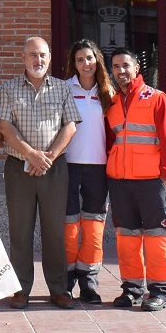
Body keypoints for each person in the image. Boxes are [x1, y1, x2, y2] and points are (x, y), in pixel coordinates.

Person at [0, 35, 80, 309]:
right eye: (32, 54)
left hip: (54, 169)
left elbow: (70, 126)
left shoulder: (62, 88)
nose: (38, 60)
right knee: (20, 231)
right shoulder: (9, 88)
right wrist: (31, 154)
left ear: (50, 58)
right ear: (23, 58)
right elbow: (5, 127)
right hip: (19, 168)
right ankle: (20, 289)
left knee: (55, 231)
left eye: (42, 55)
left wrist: (47, 158)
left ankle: (59, 289)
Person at [105, 47, 166, 312]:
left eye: (126, 65)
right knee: (126, 237)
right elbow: (110, 142)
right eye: (116, 67)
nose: (121, 71)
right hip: (119, 180)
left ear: (137, 68)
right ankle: (132, 289)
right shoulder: (112, 103)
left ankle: (161, 291)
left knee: (157, 235)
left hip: (150, 180)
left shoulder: (156, 98)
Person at [64, 39, 117, 304]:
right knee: (69, 227)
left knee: (94, 228)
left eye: (90, 58)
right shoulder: (63, 89)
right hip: (67, 165)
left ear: (98, 60)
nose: (86, 64)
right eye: (80, 59)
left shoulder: (109, 92)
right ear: (73, 64)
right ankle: (65, 281)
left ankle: (88, 283)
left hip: (99, 167)